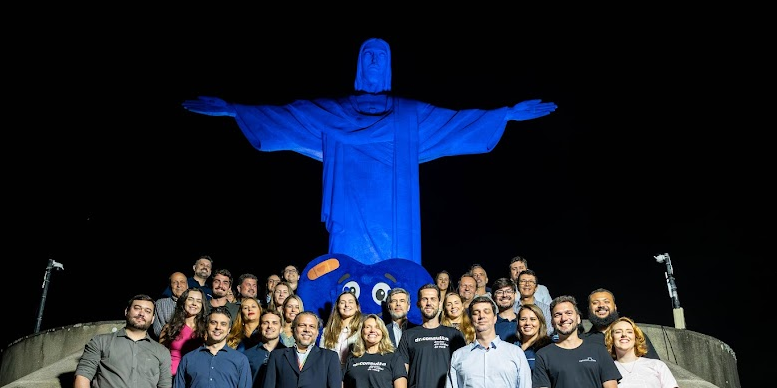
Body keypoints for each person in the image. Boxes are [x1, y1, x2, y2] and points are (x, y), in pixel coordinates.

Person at [183, 37, 557, 265]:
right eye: (369, 55)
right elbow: (289, 117)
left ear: (389, 65)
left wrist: (506, 114)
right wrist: (236, 109)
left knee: (396, 269)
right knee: (346, 263)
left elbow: (455, 123)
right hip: (349, 205)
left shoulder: (409, 114)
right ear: (360, 65)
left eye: (382, 55)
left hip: (394, 214)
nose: (375, 61)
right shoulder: (336, 111)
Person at [582, 288, 660, 360]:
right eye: (595, 303)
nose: (601, 305)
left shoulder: (634, 335)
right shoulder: (583, 341)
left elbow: (654, 366)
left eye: (606, 302)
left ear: (615, 307)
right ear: (589, 309)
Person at [319, 290, 362, 366]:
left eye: (350, 302)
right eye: (342, 302)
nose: (346, 305)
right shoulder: (327, 331)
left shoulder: (362, 330)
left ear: (357, 307)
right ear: (337, 307)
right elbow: (322, 357)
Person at [516, 268, 554, 338]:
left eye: (531, 281)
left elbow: (549, 331)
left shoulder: (546, 309)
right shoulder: (512, 309)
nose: (527, 284)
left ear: (536, 288)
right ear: (518, 286)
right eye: (523, 281)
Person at [152, 272, 188, 339]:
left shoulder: (194, 304)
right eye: (175, 282)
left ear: (187, 285)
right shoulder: (160, 304)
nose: (179, 285)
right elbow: (158, 331)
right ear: (170, 286)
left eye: (182, 282)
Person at [491, 277, 519, 343]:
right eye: (499, 292)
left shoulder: (524, 322)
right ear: (493, 297)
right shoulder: (490, 324)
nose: (504, 295)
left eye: (508, 291)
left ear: (515, 295)